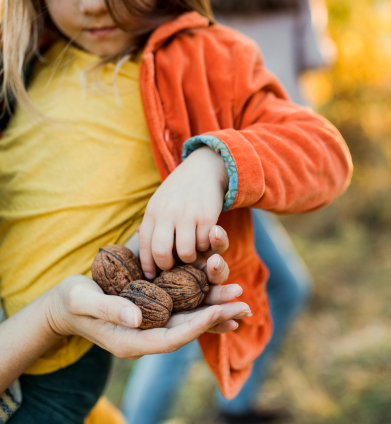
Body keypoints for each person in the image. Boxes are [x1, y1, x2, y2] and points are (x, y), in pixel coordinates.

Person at [0, 0, 352, 422]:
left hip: (54, 366)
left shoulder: (206, 54)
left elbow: (323, 151)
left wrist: (213, 164)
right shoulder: (18, 53)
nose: (93, 5)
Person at [0, 17, 246, 424]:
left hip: (60, 355)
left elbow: (316, 146)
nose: (92, 7)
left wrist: (213, 162)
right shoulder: (30, 50)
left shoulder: (196, 52)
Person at [121, 1, 337, 423]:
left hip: (247, 163)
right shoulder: (290, 9)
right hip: (232, 168)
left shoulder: (211, 19)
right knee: (187, 312)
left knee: (280, 288)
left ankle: (235, 407)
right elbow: (317, 57)